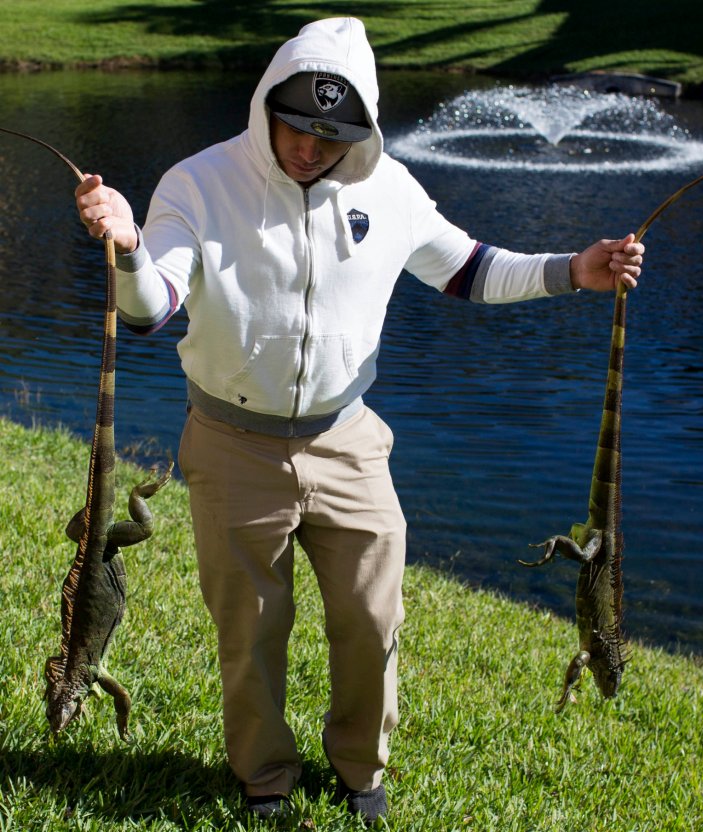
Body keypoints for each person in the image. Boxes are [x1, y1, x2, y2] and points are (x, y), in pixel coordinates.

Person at [74, 17, 644, 824]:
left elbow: (470, 269)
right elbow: (151, 306)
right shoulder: (198, 185)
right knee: (251, 631)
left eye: (331, 134)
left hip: (349, 441)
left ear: (361, 130)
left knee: (374, 619)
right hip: (233, 444)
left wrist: (571, 272)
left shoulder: (391, 188)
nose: (309, 148)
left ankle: (359, 769)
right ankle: (266, 777)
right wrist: (128, 246)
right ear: (265, 104)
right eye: (295, 124)